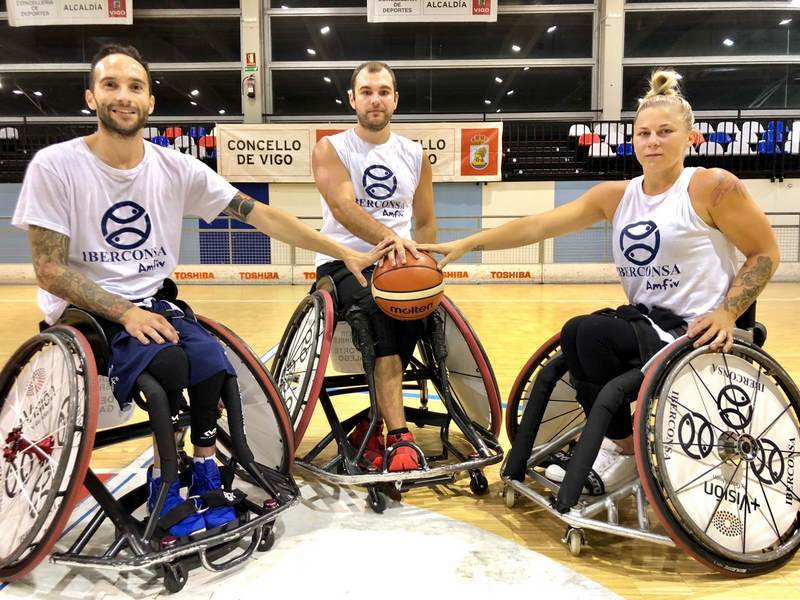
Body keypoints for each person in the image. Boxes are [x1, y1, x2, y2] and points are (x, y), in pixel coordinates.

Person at [12, 44, 388, 537]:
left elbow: (263, 215)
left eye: (135, 87)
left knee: (214, 365)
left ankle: (206, 468)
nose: (123, 96)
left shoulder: (175, 168)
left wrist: (344, 253)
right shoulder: (55, 165)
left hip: (154, 303)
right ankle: (163, 482)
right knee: (166, 367)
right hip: (87, 311)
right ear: (90, 97)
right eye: (111, 85)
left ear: (150, 103)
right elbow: (49, 269)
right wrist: (125, 313)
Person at [419, 69, 780, 511]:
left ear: (691, 138)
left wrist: (727, 313)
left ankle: (622, 450)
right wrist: (468, 243)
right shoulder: (616, 195)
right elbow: (537, 225)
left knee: (586, 334)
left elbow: (764, 254)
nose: (652, 141)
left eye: (665, 132)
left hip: (695, 331)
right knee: (577, 333)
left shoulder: (711, 186)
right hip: (648, 326)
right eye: (643, 133)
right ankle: (619, 443)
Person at [312, 61, 436, 472]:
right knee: (378, 307)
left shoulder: (414, 154)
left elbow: (425, 221)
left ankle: (375, 417)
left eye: (383, 91)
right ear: (352, 99)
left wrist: (429, 263)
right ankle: (399, 434)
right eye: (366, 91)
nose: (375, 98)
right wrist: (391, 241)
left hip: (398, 261)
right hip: (343, 261)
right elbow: (344, 209)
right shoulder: (332, 148)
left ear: (395, 100)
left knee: (422, 302)